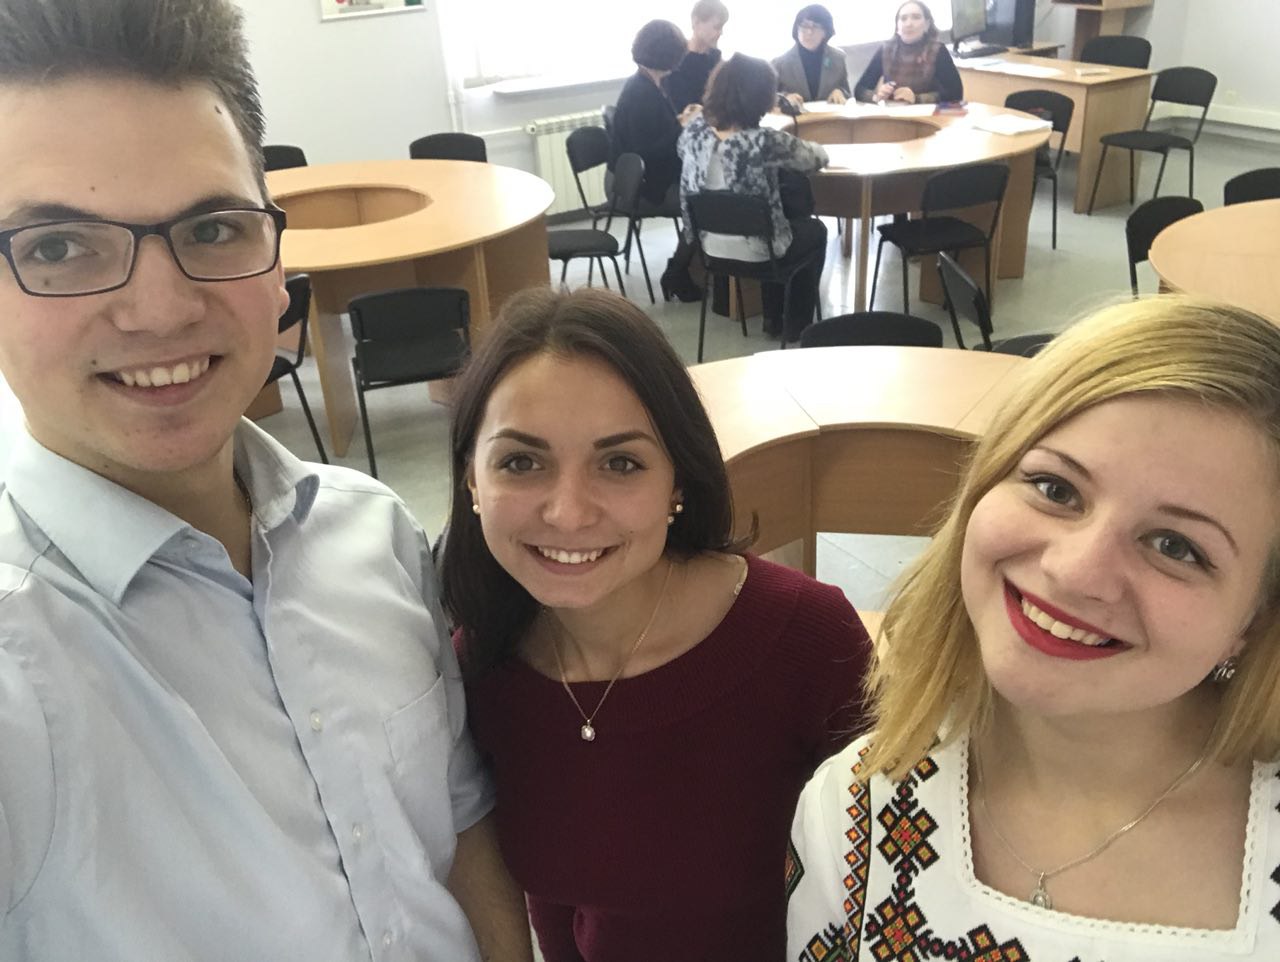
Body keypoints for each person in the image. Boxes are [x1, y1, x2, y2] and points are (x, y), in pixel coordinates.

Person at [0, 2, 531, 960]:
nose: (160, 310)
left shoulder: (375, 531)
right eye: (57, 247)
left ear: (278, 259)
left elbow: (459, 831)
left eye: (212, 227)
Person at [786, 297, 1280, 960]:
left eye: (1175, 546)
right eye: (1056, 488)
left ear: (1254, 619)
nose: (1074, 573)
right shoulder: (858, 807)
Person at [442, 286, 872, 962]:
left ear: (678, 482)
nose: (568, 513)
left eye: (620, 463)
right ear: (472, 479)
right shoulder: (479, 668)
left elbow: (896, 884)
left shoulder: (808, 642)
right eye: (521, 461)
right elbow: (558, 910)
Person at [679, 54, 829, 343]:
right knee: (813, 231)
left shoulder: (693, 133)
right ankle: (795, 325)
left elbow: (683, 155)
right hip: (760, 253)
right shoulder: (764, 141)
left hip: (710, 248)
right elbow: (816, 158)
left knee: (773, 222)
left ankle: (773, 319)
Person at [611, 18, 701, 302]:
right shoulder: (641, 93)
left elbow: (657, 133)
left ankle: (690, 269)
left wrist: (681, 119)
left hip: (650, 176)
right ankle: (677, 271)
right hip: (643, 186)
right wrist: (682, 126)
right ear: (668, 55)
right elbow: (647, 151)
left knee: (704, 192)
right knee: (702, 205)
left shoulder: (652, 84)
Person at [855, 1, 963, 105]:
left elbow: (956, 93)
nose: (908, 24)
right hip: (892, 113)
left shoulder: (938, 50)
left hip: (926, 115)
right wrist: (877, 96)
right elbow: (859, 90)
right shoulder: (886, 49)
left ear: (927, 24)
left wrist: (916, 98)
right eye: (903, 18)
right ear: (897, 25)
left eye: (916, 17)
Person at [773, 5, 850, 108]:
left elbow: (847, 92)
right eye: (804, 26)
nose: (809, 32)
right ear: (797, 29)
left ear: (825, 32)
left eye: (816, 26)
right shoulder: (780, 63)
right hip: (796, 117)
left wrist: (840, 92)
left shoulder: (838, 58)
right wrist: (785, 98)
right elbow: (767, 98)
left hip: (831, 116)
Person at [664, 0, 729, 114]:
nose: (720, 32)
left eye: (722, 27)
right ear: (696, 22)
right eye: (716, 27)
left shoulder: (717, 62)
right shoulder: (673, 57)